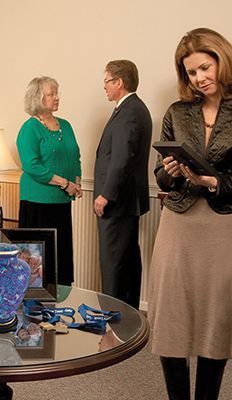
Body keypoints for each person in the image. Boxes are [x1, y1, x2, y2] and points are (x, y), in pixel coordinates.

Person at [148, 28, 231, 400]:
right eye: (191, 72)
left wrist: (211, 181)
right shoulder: (177, 112)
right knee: (170, 320)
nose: (199, 78)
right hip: (177, 223)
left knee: (217, 320)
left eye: (204, 67)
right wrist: (171, 169)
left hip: (222, 225)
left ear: (221, 60)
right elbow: (159, 174)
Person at [93, 60, 152, 309]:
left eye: (106, 81)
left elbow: (121, 158)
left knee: (114, 263)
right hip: (126, 201)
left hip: (117, 201)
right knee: (126, 262)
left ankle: (113, 321)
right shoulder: (133, 109)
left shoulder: (129, 111)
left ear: (119, 82)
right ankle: (127, 319)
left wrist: (106, 194)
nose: (104, 86)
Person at [16, 76, 82, 286]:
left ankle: (61, 303)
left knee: (60, 258)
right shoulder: (29, 128)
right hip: (38, 205)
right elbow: (32, 166)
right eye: (51, 94)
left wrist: (77, 182)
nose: (56, 97)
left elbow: (75, 156)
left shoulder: (66, 125)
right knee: (39, 264)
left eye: (57, 93)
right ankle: (37, 308)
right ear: (38, 97)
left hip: (61, 203)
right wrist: (65, 183)